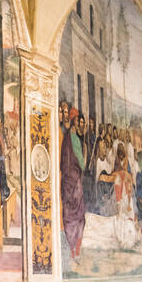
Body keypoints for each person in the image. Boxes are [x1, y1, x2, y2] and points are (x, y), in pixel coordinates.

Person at [60, 109, 86, 258]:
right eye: (77, 121)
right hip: (74, 180)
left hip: (67, 180)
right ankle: (75, 249)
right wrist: (82, 167)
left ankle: (73, 249)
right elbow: (80, 161)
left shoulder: (67, 137)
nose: (78, 124)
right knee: (78, 214)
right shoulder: (73, 138)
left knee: (71, 214)